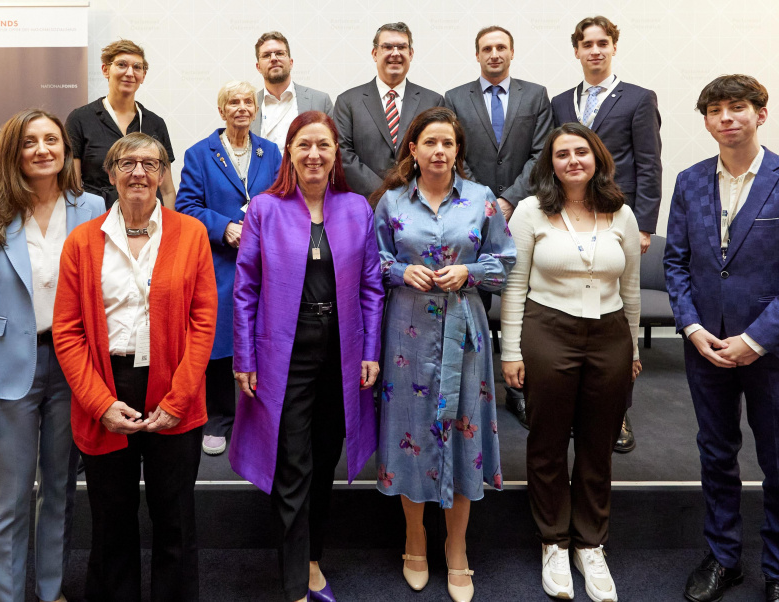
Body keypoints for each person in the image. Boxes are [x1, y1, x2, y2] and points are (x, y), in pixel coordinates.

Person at [52, 133, 217, 602]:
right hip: (105, 387)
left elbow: (204, 323)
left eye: (150, 163)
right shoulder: (83, 242)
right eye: (127, 163)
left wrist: (179, 398)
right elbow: (68, 331)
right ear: (110, 174)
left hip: (174, 387)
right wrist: (99, 403)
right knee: (111, 517)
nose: (139, 172)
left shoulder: (190, 234)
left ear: (164, 174)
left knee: (175, 517)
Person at [229, 111, 384, 602]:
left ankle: (314, 555)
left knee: (325, 454)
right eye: (304, 146)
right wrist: (244, 356)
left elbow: (372, 287)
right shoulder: (265, 210)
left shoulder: (357, 207)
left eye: (324, 145)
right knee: (292, 460)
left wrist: (371, 350)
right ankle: (297, 579)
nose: (314, 154)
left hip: (341, 350)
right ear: (289, 153)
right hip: (284, 352)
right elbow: (246, 288)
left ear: (336, 153)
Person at [372, 107, 516, 602]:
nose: (439, 151)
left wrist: (469, 272)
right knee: (410, 430)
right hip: (407, 333)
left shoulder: (483, 202)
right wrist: (398, 273)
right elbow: (374, 262)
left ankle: (456, 547)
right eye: (429, 142)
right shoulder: (391, 202)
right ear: (412, 149)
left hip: (463, 331)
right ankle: (415, 539)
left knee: (462, 431)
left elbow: (505, 263)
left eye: (448, 144)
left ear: (458, 151)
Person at [500, 122, 641, 602]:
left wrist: (635, 349)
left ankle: (590, 542)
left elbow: (631, 289)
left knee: (599, 442)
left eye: (582, 152)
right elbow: (514, 285)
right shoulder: (530, 211)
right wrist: (511, 350)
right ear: (550, 163)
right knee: (548, 439)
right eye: (562, 154)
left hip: (610, 334)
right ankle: (554, 541)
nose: (573, 161)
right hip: (548, 330)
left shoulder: (620, 213)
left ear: (597, 158)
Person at [0, 109, 104, 602]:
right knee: (7, 502)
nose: (42, 149)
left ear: (65, 149)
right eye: (30, 142)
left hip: (72, 368)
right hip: (8, 371)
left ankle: (50, 592)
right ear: (15, 151)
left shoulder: (92, 208)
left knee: (60, 491)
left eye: (51, 139)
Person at [664, 75, 779, 602]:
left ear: (761, 114)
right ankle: (723, 558)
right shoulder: (688, 181)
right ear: (706, 120)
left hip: (770, 349)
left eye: (738, 108)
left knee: (776, 458)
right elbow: (677, 263)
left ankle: (776, 567)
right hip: (705, 345)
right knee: (715, 453)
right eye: (715, 110)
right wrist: (691, 327)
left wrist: (756, 339)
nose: (727, 117)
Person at [551, 15, 662, 453]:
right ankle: (577, 407)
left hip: (619, 221)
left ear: (613, 47)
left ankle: (618, 412)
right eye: (587, 44)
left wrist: (646, 225)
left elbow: (649, 164)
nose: (595, 50)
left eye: (603, 43)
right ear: (576, 50)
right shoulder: (560, 102)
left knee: (617, 322)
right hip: (570, 220)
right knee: (576, 318)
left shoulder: (637, 98)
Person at [444, 24, 552, 427]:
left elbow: (542, 153)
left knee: (521, 294)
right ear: (477, 55)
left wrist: (507, 200)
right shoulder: (454, 98)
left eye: (501, 47)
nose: (494, 54)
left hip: (525, 209)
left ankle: (520, 390)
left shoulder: (536, 95)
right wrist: (483, 200)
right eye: (486, 48)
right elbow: (456, 153)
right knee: (475, 295)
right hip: (469, 212)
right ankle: (473, 385)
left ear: (511, 52)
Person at [175, 80, 281, 456]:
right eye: (233, 102)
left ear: (256, 109)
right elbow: (185, 207)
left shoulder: (272, 153)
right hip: (218, 261)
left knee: (264, 335)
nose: (241, 108)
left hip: (264, 263)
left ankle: (259, 416)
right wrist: (226, 227)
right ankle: (219, 417)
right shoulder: (199, 154)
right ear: (221, 110)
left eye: (248, 102)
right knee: (219, 338)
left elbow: (283, 200)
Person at [333, 22, 444, 199]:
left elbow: (439, 152)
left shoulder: (433, 101)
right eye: (387, 47)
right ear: (375, 53)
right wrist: (385, 194)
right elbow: (343, 155)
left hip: (420, 201)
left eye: (402, 47)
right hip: (366, 204)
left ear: (411, 54)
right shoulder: (347, 102)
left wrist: (410, 193)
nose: (395, 53)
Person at [66, 39, 176, 209]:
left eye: (137, 67)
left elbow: (167, 190)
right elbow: (72, 187)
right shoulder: (80, 119)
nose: (130, 73)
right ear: (105, 70)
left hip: (148, 221)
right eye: (122, 65)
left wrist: (168, 231)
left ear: (143, 75)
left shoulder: (155, 123)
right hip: (99, 218)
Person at [252, 31, 334, 150]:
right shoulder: (248, 105)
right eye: (266, 55)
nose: (274, 58)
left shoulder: (320, 101)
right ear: (258, 67)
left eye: (280, 53)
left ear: (291, 63)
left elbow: (333, 148)